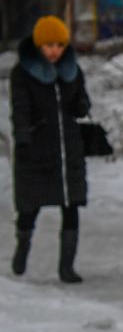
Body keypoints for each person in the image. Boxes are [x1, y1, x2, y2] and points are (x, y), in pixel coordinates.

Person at [10, 15, 91, 283]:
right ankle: (22, 247)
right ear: (38, 46)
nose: (54, 50)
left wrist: (81, 105)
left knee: (71, 205)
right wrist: (23, 137)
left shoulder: (72, 70)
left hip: (67, 149)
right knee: (29, 207)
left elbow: (81, 102)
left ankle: (66, 267)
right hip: (36, 150)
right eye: (48, 45)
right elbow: (20, 109)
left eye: (59, 44)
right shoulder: (22, 73)